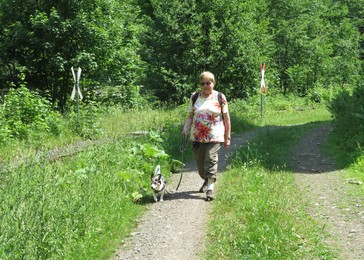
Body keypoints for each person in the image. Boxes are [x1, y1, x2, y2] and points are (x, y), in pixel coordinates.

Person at [182, 71, 231, 200]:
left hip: (215, 135)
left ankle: (210, 189)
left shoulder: (220, 97)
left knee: (210, 158)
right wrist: (185, 128)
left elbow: (226, 119)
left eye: (208, 83)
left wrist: (227, 137)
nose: (205, 85)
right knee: (200, 165)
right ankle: (207, 179)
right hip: (197, 136)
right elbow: (190, 116)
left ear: (213, 83)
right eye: (202, 83)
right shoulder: (194, 97)